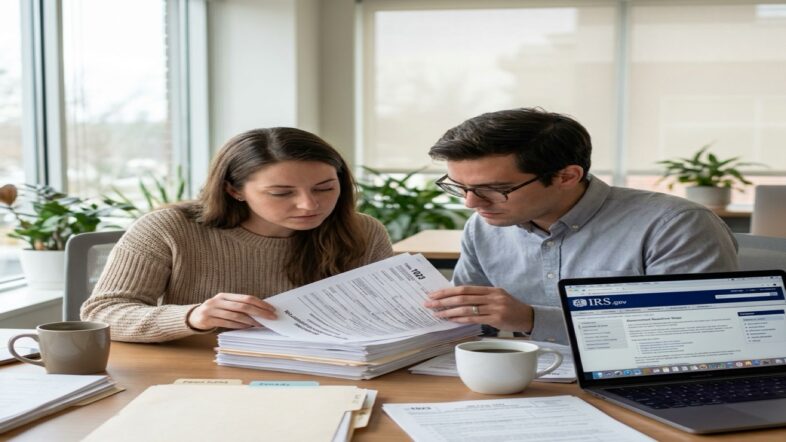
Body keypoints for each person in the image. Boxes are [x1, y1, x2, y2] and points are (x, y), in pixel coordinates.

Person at [423, 108, 738, 344]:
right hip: (526, 382)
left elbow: (691, 333)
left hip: (642, 382)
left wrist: (531, 319)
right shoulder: (484, 227)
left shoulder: (675, 225)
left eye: (496, 188)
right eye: (459, 187)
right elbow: (470, 323)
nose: (471, 204)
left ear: (567, 176)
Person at [82, 127, 393, 343]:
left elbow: (387, 315)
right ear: (234, 190)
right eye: (281, 193)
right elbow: (103, 314)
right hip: (199, 375)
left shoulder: (363, 231)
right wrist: (193, 317)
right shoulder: (168, 229)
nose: (310, 204)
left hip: (327, 370)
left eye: (325, 188)